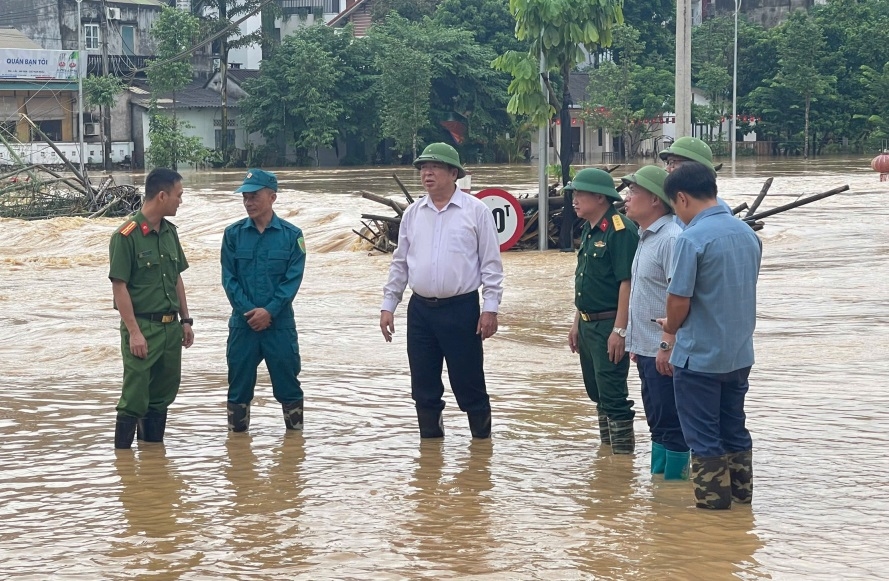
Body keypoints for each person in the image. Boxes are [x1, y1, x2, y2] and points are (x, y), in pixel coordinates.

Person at [380, 142, 503, 439]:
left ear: (453, 173)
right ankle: (430, 457)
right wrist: (388, 305)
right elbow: (400, 263)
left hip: (461, 310)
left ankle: (481, 452)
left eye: (434, 167)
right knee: (423, 386)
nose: (427, 173)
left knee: (469, 382)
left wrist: (490, 309)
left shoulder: (476, 212)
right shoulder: (413, 213)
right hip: (420, 310)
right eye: (423, 168)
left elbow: (491, 265)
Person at [659, 162, 762, 509]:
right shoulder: (747, 233)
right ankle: (742, 506)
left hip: (699, 357)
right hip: (739, 354)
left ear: (683, 198)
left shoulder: (691, 239)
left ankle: (714, 515)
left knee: (703, 439)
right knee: (734, 430)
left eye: (674, 205)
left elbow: (678, 300)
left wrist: (670, 328)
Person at [108, 168, 193, 449]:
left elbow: (177, 277)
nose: (180, 201)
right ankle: (123, 465)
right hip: (143, 327)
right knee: (134, 398)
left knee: (161, 396)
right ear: (161, 195)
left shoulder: (170, 233)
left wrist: (186, 320)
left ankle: (152, 468)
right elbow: (119, 287)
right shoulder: (126, 236)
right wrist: (134, 332)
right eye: (178, 195)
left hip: (170, 329)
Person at [221, 169, 306, 432]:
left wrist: (269, 311)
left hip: (279, 326)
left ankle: (294, 455)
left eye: (254, 196)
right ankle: (238, 455)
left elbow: (292, 280)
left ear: (272, 197)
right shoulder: (233, 234)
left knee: (289, 388)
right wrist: (250, 312)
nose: (248, 203)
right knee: (238, 390)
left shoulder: (292, 236)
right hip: (243, 326)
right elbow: (229, 279)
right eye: (245, 197)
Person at [621, 165, 690, 478]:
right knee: (657, 424)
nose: (627, 197)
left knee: (672, 425)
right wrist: (635, 342)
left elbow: (679, 298)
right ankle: (659, 491)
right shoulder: (646, 236)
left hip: (663, 351)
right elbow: (646, 294)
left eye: (634, 191)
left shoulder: (671, 239)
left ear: (655, 201)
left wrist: (667, 344)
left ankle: (673, 494)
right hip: (647, 349)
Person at [567, 168, 640, 454]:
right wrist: (576, 324)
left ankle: (622, 463)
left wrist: (619, 331)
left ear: (599, 197)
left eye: (579, 194)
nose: (574, 200)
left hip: (609, 324)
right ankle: (607, 459)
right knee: (597, 393)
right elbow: (585, 282)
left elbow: (627, 282)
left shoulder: (620, 230)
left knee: (613, 396)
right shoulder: (589, 229)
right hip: (588, 325)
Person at [658, 136, 732, 227]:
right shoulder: (679, 205)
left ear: (694, 168)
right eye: (668, 163)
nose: (667, 169)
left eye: (672, 162)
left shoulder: (712, 211)